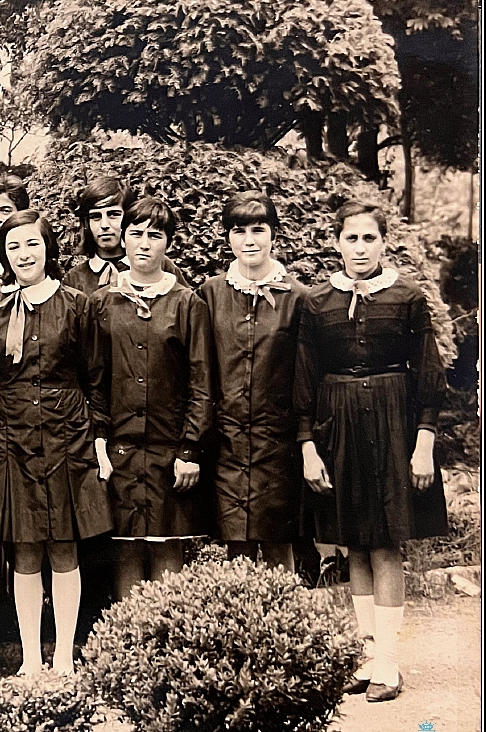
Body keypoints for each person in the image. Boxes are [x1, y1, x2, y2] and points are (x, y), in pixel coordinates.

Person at [295, 201, 447, 703]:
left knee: (385, 543)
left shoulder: (407, 298)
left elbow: (428, 376)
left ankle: (388, 661)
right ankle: (366, 653)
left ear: (384, 243)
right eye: (350, 239)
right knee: (353, 543)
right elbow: (303, 381)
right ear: (336, 243)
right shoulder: (317, 304)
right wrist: (308, 447)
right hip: (338, 427)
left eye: (369, 239)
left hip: (393, 426)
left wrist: (424, 442)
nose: (359, 248)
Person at [0, 210, 113, 676]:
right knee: (24, 548)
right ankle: (31, 656)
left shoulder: (77, 305)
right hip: (8, 433)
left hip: (67, 433)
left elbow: (97, 378)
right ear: (3, 255)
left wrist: (100, 441)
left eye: (31, 244)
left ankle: (65, 654)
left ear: (48, 248)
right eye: (13, 247)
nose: (23, 254)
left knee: (64, 546)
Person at [88, 197, 213, 600]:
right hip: (119, 450)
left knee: (166, 547)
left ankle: (164, 651)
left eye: (154, 236)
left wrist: (190, 450)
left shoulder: (187, 303)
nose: (144, 244)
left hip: (169, 451)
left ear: (168, 244)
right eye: (136, 234)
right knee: (125, 549)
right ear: (123, 240)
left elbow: (201, 382)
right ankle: (130, 651)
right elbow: (96, 380)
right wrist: (100, 442)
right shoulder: (103, 304)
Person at [199, 193, 305, 570]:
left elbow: (304, 378)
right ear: (228, 237)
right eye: (239, 230)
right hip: (227, 443)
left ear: (273, 234)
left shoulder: (298, 298)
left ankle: (284, 623)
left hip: (278, 444)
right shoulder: (211, 293)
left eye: (258, 230)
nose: (249, 240)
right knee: (236, 544)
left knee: (278, 544)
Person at [63, 175, 188, 297]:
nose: (104, 225)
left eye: (113, 214)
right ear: (87, 223)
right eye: (95, 217)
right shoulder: (75, 279)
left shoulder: (161, 265)